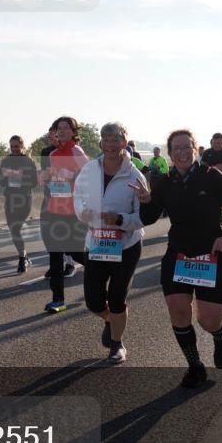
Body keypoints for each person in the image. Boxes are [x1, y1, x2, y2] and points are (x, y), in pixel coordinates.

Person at [136, 128, 222, 388]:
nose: (182, 152)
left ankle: (221, 335)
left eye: (187, 147)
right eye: (177, 148)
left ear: (195, 149)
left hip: (212, 253)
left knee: (208, 320)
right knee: (179, 311)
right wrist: (145, 200)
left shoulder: (211, 176)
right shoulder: (165, 182)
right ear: (170, 153)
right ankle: (195, 366)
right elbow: (148, 218)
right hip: (179, 253)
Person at [74, 123, 147, 363]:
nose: (111, 145)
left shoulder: (135, 175)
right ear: (101, 143)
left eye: (116, 140)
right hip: (97, 242)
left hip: (126, 245)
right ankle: (110, 319)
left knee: (117, 298)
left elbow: (142, 217)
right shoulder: (89, 170)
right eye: (106, 140)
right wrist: (83, 213)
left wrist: (120, 220)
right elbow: (78, 198)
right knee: (93, 301)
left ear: (124, 143)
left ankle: (117, 344)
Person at [39, 116, 89, 312]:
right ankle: (58, 299)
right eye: (59, 128)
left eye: (66, 128)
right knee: (55, 253)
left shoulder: (77, 152)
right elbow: (53, 181)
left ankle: (97, 269)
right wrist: (45, 178)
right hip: (55, 209)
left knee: (75, 252)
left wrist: (71, 175)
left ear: (73, 132)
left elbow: (89, 177)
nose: (61, 131)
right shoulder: (52, 154)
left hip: (73, 211)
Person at [0, 136, 38, 273]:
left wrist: (20, 177)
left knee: (16, 228)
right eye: (12, 146)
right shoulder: (5, 161)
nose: (14, 149)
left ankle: (22, 258)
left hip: (24, 199)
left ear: (22, 146)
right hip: (10, 199)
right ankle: (23, 256)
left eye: (16, 146)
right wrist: (5, 177)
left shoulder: (28, 161)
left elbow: (34, 182)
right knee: (13, 230)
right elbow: (0, 181)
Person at [41, 127, 76, 281]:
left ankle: (70, 263)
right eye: (49, 138)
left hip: (70, 196)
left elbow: (80, 173)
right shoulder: (47, 152)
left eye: (54, 136)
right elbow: (45, 173)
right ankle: (56, 264)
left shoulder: (72, 151)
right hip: (51, 195)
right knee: (49, 233)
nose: (52, 140)